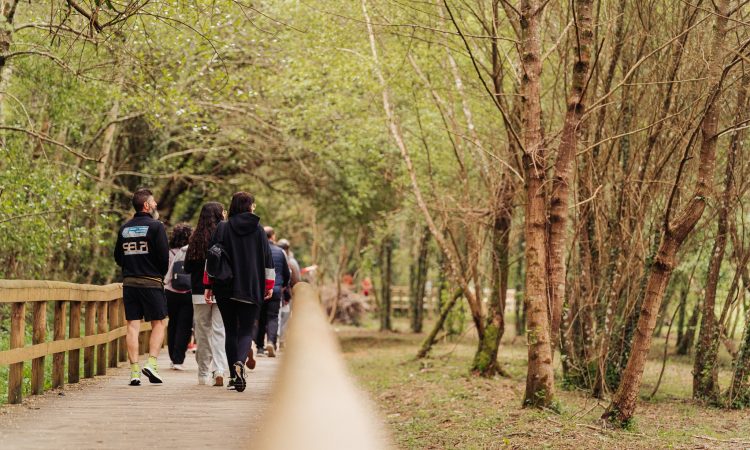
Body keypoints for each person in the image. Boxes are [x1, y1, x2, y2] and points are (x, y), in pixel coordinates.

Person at [206, 192, 274, 393]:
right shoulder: (259, 230)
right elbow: (267, 259)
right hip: (250, 286)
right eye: (253, 204)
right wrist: (269, 285)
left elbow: (212, 258)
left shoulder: (222, 227)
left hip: (225, 286)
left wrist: (208, 285)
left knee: (230, 331)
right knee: (246, 330)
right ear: (250, 206)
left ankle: (234, 377)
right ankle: (239, 363)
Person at [114, 188, 169, 386]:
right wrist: (158, 272)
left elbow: (118, 257)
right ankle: (152, 363)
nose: (156, 205)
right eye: (153, 202)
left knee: (132, 325)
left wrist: (132, 266)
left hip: (130, 282)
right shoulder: (156, 227)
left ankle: (134, 371)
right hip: (151, 281)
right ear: (146, 205)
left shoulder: (124, 228)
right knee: (159, 322)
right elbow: (163, 257)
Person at [184, 202, 229, 386]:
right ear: (219, 215)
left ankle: (203, 373)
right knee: (219, 330)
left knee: (202, 332)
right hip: (221, 289)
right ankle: (219, 369)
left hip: (198, 291)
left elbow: (187, 267)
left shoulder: (196, 238)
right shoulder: (225, 235)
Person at [253, 227, 289, 358]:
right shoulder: (280, 252)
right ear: (273, 236)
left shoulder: (256, 250)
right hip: (276, 288)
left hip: (259, 289)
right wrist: (283, 286)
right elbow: (286, 272)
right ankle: (271, 342)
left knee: (260, 318)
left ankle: (259, 348)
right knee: (273, 317)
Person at [164, 223, 193, 371]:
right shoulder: (192, 252)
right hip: (188, 292)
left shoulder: (168, 252)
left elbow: (164, 272)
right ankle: (178, 359)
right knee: (185, 325)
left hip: (170, 292)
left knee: (173, 323)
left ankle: (172, 357)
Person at [275, 238, 299, 346]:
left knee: (274, 316)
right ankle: (281, 340)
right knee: (285, 317)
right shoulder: (292, 261)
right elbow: (297, 279)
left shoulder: (273, 255)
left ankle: (273, 340)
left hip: (272, 290)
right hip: (286, 292)